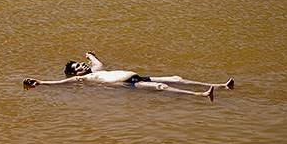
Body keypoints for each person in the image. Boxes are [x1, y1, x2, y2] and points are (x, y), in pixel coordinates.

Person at [22, 52, 234, 101]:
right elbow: (60, 84)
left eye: (81, 64)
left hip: (136, 77)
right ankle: (202, 95)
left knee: (176, 78)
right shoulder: (82, 79)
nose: (83, 66)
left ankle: (221, 86)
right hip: (128, 86)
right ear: (75, 73)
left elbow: (99, 64)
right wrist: (40, 83)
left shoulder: (94, 71)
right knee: (162, 87)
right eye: (79, 66)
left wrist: (90, 55)